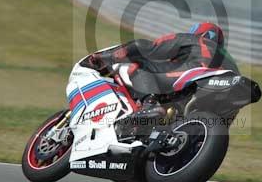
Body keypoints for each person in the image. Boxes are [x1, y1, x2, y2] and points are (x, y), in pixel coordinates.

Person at [82, 22, 237, 125]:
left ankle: (149, 104)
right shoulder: (229, 60)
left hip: (194, 75)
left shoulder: (191, 40)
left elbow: (147, 47)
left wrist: (107, 57)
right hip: (222, 98)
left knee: (138, 65)